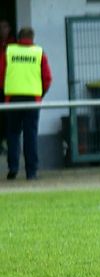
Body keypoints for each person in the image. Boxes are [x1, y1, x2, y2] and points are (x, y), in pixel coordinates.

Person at [1, 27, 51, 180]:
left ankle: (13, 168)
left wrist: (5, 92)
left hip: (13, 99)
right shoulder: (39, 52)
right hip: (32, 100)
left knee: (13, 134)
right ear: (33, 38)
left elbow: (1, 75)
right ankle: (31, 171)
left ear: (18, 37)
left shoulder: (9, 51)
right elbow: (47, 78)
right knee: (31, 135)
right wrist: (40, 94)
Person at [0, 19, 17, 155]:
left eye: (4, 27)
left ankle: (7, 141)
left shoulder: (14, 44)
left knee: (9, 116)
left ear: (9, 29)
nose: (2, 30)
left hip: (10, 86)